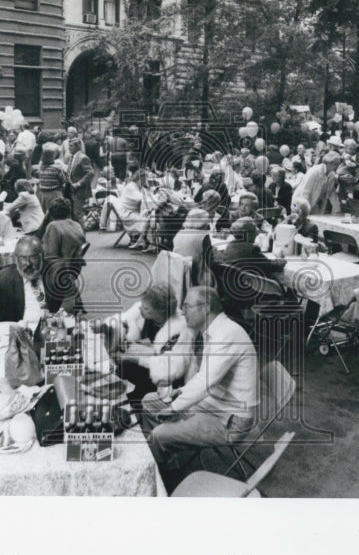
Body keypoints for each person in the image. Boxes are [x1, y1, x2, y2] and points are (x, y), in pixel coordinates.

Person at [140, 285, 258, 487]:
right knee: (149, 402)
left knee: (159, 435)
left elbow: (205, 382)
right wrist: (181, 392)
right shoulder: (215, 331)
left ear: (205, 308)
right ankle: (167, 463)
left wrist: (174, 408)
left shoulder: (226, 334)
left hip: (230, 422)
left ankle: (163, 482)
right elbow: (204, 377)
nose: (182, 311)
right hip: (215, 406)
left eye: (187, 306)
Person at [108, 285, 193, 403]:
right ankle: (133, 395)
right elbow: (123, 322)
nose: (140, 309)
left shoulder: (178, 330)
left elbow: (167, 367)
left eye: (146, 308)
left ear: (160, 311)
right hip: (159, 360)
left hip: (172, 376)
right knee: (123, 365)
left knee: (127, 365)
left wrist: (133, 358)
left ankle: (139, 399)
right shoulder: (153, 317)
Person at [0, 235, 57, 328]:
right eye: (22, 258)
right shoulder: (3, 279)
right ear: (16, 259)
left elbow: (73, 307)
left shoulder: (56, 275)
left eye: (33, 257)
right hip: (18, 333)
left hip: (50, 332)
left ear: (41, 257)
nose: (28, 263)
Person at [41, 197, 87, 311]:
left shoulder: (53, 227)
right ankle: (75, 298)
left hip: (60, 271)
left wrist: (44, 221)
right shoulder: (76, 224)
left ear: (51, 212)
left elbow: (50, 256)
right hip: (75, 267)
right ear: (69, 210)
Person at [216, 217, 286, 281]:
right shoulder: (252, 250)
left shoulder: (230, 246)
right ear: (248, 234)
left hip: (233, 288)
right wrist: (281, 259)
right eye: (255, 231)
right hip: (252, 290)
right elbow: (272, 266)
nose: (257, 234)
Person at [172, 208, 214, 287]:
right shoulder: (203, 236)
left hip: (178, 272)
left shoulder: (180, 233)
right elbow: (210, 260)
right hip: (196, 276)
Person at [66, 136, 95, 223]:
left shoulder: (83, 158)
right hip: (70, 189)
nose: (69, 148)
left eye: (71, 146)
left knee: (77, 214)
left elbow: (90, 173)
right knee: (73, 214)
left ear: (77, 146)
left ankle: (81, 234)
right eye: (69, 146)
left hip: (79, 190)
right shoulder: (72, 157)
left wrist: (79, 183)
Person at [36, 144, 69, 212]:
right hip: (54, 194)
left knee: (44, 212)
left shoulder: (41, 168)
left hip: (42, 195)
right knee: (56, 212)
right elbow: (63, 180)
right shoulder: (56, 168)